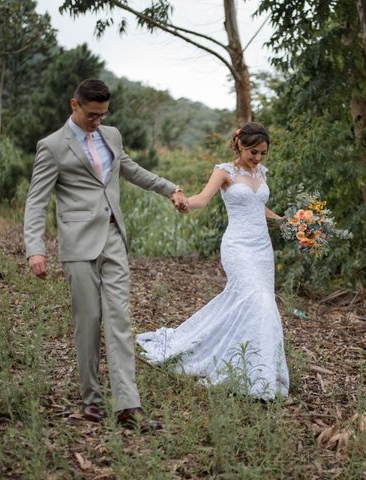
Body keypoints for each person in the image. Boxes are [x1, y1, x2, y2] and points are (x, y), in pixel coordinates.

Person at [23, 79, 188, 430]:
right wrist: (35, 249)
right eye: (92, 115)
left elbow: (131, 170)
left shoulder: (110, 135)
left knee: (120, 320)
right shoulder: (51, 147)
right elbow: (36, 201)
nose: (97, 121)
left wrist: (169, 188)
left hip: (113, 237)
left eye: (103, 115)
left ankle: (128, 406)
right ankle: (92, 400)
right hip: (78, 244)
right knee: (88, 322)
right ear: (74, 105)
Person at [136, 122, 289, 400]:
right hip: (238, 246)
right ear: (239, 144)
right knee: (259, 300)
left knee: (258, 304)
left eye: (263, 153)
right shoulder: (225, 171)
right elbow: (203, 199)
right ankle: (246, 372)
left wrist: (288, 223)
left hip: (262, 249)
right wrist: (184, 203)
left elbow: (258, 205)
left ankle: (258, 372)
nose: (257, 159)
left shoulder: (261, 172)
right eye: (253, 152)